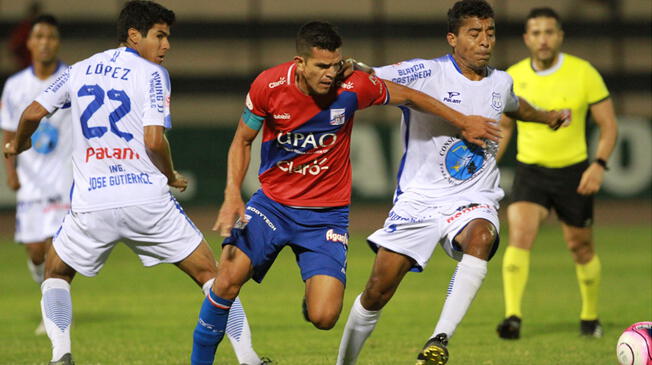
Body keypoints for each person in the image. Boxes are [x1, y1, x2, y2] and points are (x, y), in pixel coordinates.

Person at [190, 20, 504, 365]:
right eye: (321, 66)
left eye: (335, 65)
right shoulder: (268, 85)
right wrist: (233, 193)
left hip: (326, 215)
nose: (330, 73)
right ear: (300, 63)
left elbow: (411, 96)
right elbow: (242, 140)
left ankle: (311, 300)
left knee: (324, 317)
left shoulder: (353, 85)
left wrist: (461, 121)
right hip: (273, 205)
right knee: (227, 279)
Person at [2, 2, 267, 365]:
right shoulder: (152, 75)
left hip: (93, 203)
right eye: (160, 36)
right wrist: (171, 175)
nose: (166, 45)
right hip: (146, 199)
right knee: (214, 277)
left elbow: (32, 113)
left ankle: (60, 354)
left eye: (167, 37)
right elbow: (155, 140)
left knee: (56, 272)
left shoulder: (78, 70)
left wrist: (19, 144)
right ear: (134, 35)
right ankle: (248, 357)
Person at [335, 1, 569, 364]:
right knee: (376, 292)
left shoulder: (500, 81)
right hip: (420, 200)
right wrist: (353, 67)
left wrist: (548, 116)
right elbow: (373, 76)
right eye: (474, 33)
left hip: (474, 197)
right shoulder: (426, 72)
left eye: (489, 33)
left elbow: (515, 105)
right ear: (452, 38)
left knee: (482, 236)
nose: (485, 41)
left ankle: (438, 340)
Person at [495, 7, 618, 340]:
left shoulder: (584, 73)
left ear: (560, 36)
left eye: (549, 32)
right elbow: (504, 128)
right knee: (520, 235)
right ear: (526, 39)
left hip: (574, 173)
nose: (543, 39)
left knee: (580, 247)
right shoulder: (513, 76)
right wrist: (487, 164)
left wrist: (599, 164)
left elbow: (608, 126)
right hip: (530, 170)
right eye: (536, 33)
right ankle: (512, 317)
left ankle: (590, 317)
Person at [1, 14, 71, 336]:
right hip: (31, 181)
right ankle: (44, 288)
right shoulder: (15, 86)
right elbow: (7, 129)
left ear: (57, 43)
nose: (45, 42)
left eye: (51, 37)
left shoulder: (72, 78)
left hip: (64, 181)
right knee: (34, 252)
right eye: (39, 36)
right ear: (29, 43)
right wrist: (10, 171)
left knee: (52, 247)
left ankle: (51, 313)